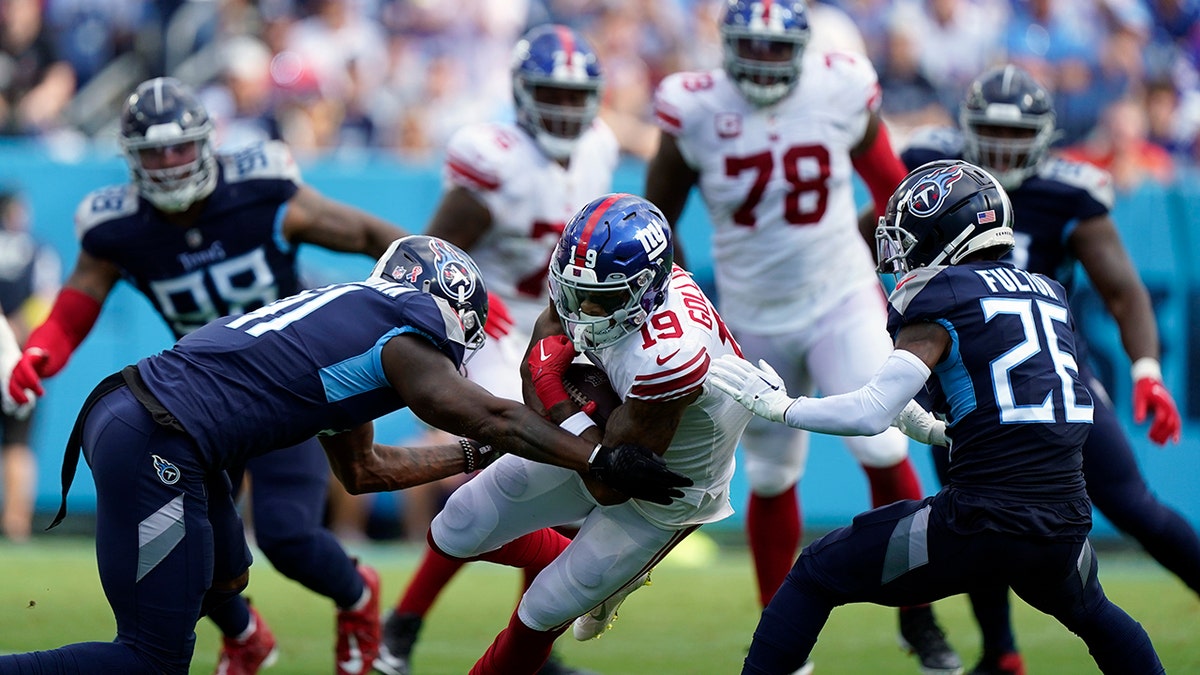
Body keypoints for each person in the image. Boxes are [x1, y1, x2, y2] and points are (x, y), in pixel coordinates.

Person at [0, 234, 691, 674]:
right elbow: (494, 414)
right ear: (451, 308)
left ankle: (246, 645)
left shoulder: (346, 323)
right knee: (150, 658)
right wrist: (594, 458)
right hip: (160, 437)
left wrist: (468, 456)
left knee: (223, 580)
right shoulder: (400, 335)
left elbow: (366, 472)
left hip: (148, 420)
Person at [4, 76, 405, 675]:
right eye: (152, 153)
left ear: (207, 144)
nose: (167, 165)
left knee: (287, 537)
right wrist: (41, 353)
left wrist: (441, 287)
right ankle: (245, 635)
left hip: (288, 385)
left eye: (178, 149)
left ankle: (356, 593)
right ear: (129, 159)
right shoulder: (118, 227)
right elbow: (75, 304)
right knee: (197, 549)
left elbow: (372, 236)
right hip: (203, 397)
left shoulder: (260, 191)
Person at [710, 159, 1166, 675]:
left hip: (980, 519)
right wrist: (929, 425)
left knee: (815, 572)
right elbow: (1005, 409)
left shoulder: (945, 296)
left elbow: (868, 413)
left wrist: (782, 405)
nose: (906, 255)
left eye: (916, 238)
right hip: (1063, 521)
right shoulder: (1048, 292)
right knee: (1096, 615)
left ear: (952, 234)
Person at [643, 2, 959, 671]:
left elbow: (898, 193)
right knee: (771, 472)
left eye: (773, 49)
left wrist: (893, 276)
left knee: (884, 444)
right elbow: (659, 222)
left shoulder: (839, 87)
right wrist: (690, 301)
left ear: (802, 49)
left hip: (839, 294)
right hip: (754, 310)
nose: (761, 63)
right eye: (748, 49)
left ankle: (917, 612)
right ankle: (779, 637)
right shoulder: (693, 107)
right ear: (726, 48)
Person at [899, 65, 1192, 675]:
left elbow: (1124, 290)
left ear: (1045, 135)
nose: (1003, 149)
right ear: (964, 128)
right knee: (969, 506)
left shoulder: (1068, 191)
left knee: (1132, 504)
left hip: (1049, 376)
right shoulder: (932, 169)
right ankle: (1000, 652)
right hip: (960, 380)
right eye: (989, 133)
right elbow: (879, 233)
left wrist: (1146, 370)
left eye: (1017, 135)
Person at [375, 23, 617, 675]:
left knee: (558, 483)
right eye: (551, 94)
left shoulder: (599, 145)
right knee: (511, 480)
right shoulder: (495, 154)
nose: (566, 109)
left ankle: (528, 641)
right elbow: (434, 253)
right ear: (520, 93)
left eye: (575, 95)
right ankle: (405, 622)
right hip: (488, 323)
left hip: (558, 329)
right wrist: (477, 295)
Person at [424, 193, 751, 675]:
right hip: (608, 444)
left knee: (541, 611)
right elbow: (530, 373)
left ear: (647, 289)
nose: (583, 309)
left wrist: (557, 395)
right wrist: (559, 402)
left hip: (667, 483)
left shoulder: (669, 358)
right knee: (452, 528)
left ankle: (604, 576)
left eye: (602, 299)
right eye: (574, 291)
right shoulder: (592, 281)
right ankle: (611, 578)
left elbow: (609, 484)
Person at [0, 186, 59, 541]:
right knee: (19, 443)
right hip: (20, 357)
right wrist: (15, 331)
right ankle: (16, 524)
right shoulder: (39, 251)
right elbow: (47, 300)